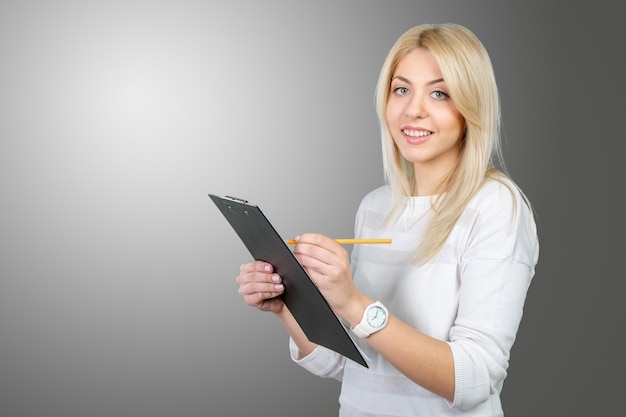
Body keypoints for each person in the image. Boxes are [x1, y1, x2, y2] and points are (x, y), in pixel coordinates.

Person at [236, 22, 539, 416]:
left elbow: (475, 378)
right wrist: (287, 304)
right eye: (401, 89)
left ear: (471, 106)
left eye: (439, 92)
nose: (413, 109)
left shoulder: (497, 206)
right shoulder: (376, 206)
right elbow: (348, 364)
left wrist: (355, 304)